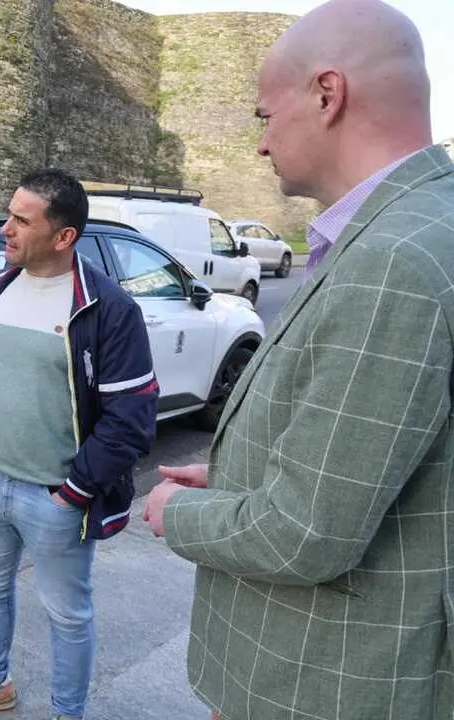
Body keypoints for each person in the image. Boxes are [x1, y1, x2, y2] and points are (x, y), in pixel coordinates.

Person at [142, 1, 454, 718]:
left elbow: (309, 533)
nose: (259, 145)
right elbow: (388, 454)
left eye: (263, 116)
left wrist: (176, 512)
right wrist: (233, 477)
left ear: (326, 93)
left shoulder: (392, 262)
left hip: (326, 681)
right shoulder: (422, 225)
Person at [0, 168, 159, 720]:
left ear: (64, 237)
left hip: (57, 497)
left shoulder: (108, 309)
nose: (4, 229)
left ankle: (67, 712)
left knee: (68, 614)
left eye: (20, 220)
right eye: (8, 213)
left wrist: (75, 492)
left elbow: (131, 417)